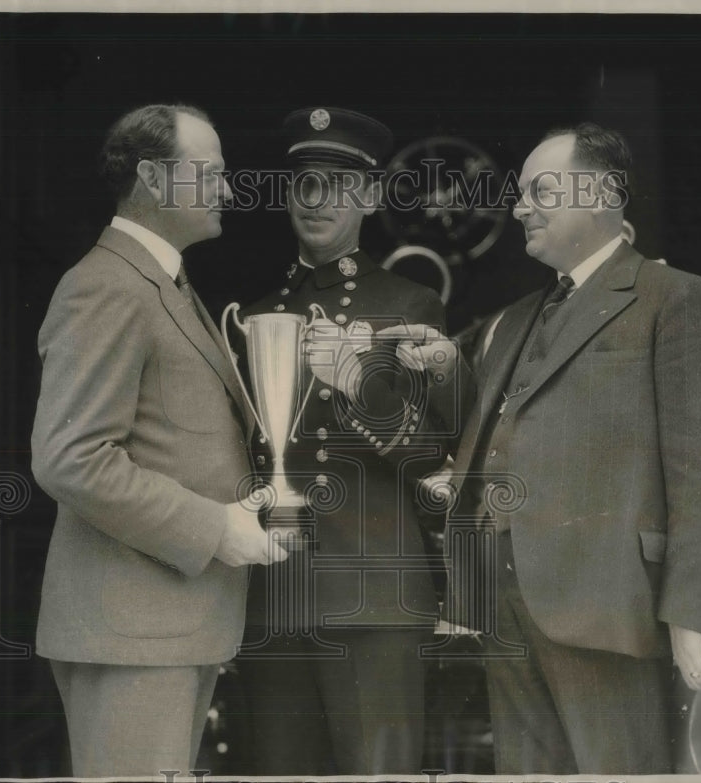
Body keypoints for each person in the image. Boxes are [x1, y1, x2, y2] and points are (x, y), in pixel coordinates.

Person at [390, 122, 701, 774]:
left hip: (610, 607)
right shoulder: (513, 319)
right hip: (504, 603)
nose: (518, 207)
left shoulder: (675, 298)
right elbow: (499, 433)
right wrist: (450, 370)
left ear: (603, 192)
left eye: (540, 190)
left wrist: (690, 614)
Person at [30, 103, 287, 777]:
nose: (229, 190)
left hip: (159, 627)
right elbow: (71, 457)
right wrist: (213, 528)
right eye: (213, 173)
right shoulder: (109, 285)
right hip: (134, 632)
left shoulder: (158, 281)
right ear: (153, 178)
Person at [234, 107, 469, 775]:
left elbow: (434, 456)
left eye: (336, 184)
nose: (316, 199)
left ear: (368, 196)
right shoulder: (251, 317)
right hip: (273, 596)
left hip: (374, 597)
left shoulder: (409, 306)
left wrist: (355, 384)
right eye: (304, 182)